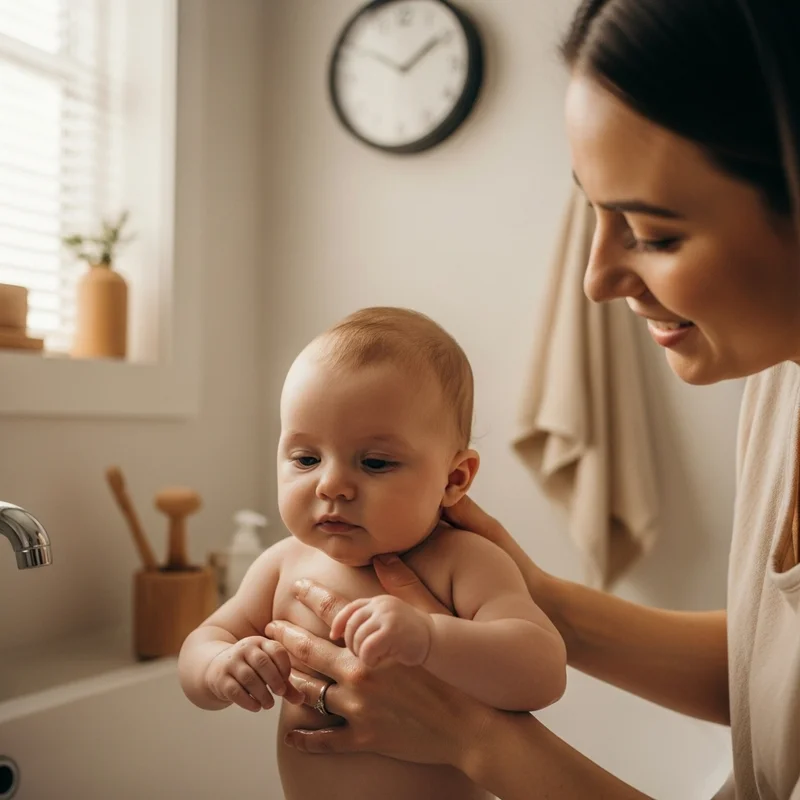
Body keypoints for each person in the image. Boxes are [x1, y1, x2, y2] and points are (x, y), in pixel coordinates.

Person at [263, 1, 800, 797]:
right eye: (594, 209)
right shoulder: (781, 378)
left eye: (653, 233)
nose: (597, 279)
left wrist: (472, 737)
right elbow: (774, 676)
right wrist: (546, 604)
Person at [178, 307, 567, 800]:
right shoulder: (283, 564)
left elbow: (543, 671)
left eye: (375, 461)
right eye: (306, 458)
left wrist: (431, 638)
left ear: (455, 479)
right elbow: (202, 643)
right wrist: (219, 665)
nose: (332, 484)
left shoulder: (463, 563)